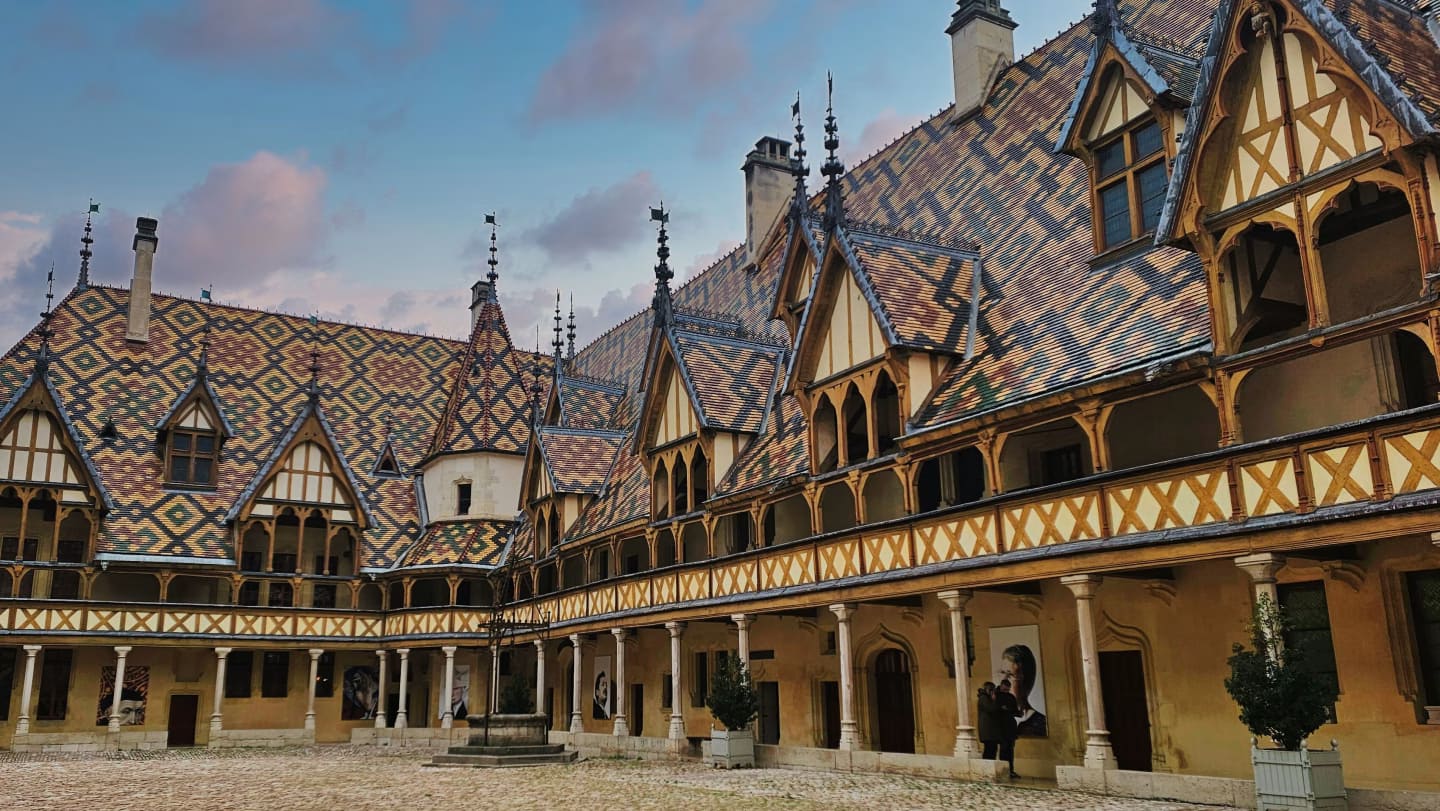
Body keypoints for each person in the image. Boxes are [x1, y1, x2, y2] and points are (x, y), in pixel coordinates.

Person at [1001, 644, 1047, 737]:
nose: (1003, 682)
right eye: (1002, 673)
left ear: (1026, 681)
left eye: (1010, 675)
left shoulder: (1040, 724)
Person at [996, 679, 1021, 778]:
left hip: (1010, 726)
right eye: (1004, 688)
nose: (1006, 690)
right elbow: (995, 709)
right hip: (1001, 727)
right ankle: (1004, 770)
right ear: (1001, 686)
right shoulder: (996, 696)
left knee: (1010, 750)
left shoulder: (1011, 697)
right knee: (1003, 749)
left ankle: (1011, 770)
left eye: (1007, 689)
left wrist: (1014, 711)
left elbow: (1015, 710)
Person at [977, 682, 1002, 760]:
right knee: (989, 750)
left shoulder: (985, 698)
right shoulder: (984, 698)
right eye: (992, 690)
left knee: (992, 749)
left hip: (990, 730)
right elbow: (991, 709)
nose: (993, 692)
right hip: (988, 730)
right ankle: (986, 766)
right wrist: (994, 700)